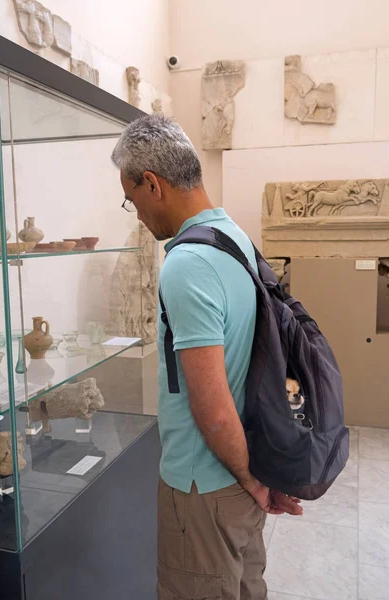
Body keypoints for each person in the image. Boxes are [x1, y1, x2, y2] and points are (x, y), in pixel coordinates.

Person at [112, 115, 303, 600]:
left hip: (204, 484)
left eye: (131, 200)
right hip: (244, 468)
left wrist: (249, 479)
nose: (135, 213)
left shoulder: (187, 263)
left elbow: (213, 409)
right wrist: (258, 474)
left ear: (152, 183)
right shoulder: (232, 237)